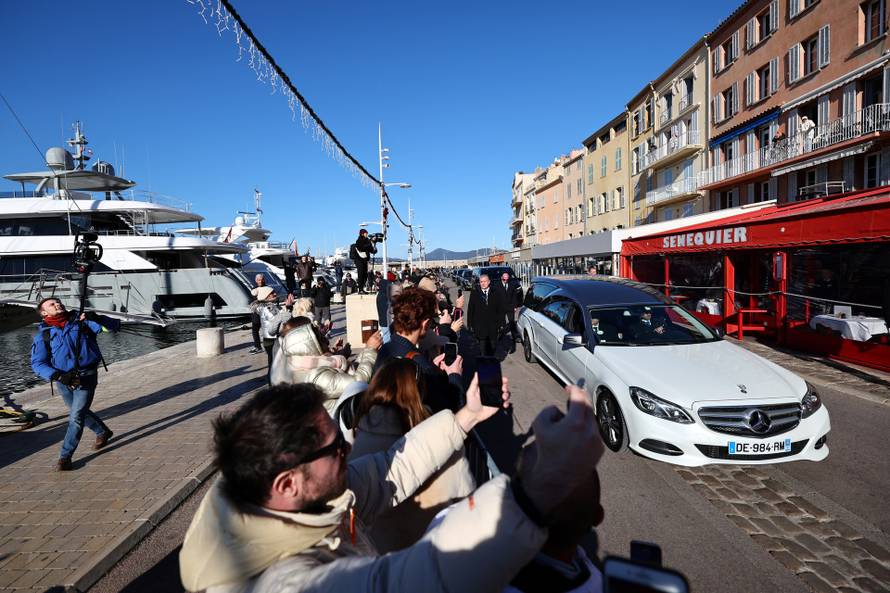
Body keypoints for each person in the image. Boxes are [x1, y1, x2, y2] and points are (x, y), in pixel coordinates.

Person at [179, 376, 602, 593]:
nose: (348, 447)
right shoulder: (277, 583)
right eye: (336, 448)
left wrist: (465, 418)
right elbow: (406, 583)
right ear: (287, 484)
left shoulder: (299, 502)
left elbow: (390, 471)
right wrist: (538, 488)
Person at [349, 358, 476, 552]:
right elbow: (467, 503)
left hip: (379, 561)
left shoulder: (355, 446)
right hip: (435, 555)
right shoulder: (444, 443)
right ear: (419, 393)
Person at [30, 298, 120, 471]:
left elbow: (112, 327)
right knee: (78, 412)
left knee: (76, 417)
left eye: (58, 302)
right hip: (63, 380)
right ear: (44, 313)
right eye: (52, 304)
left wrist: (97, 318)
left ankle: (65, 457)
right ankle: (102, 432)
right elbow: (38, 363)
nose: (57, 304)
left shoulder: (82, 321)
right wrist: (58, 376)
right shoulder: (43, 335)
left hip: (86, 376)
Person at [375, 286, 464, 413]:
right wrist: (455, 376)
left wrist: (432, 367)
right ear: (425, 323)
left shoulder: (385, 349)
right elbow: (450, 410)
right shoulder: (421, 365)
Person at [270, 317, 380, 413]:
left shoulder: (312, 364)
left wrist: (367, 351)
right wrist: (370, 350)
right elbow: (358, 383)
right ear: (309, 346)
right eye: (321, 339)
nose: (327, 341)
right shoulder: (317, 376)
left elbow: (354, 371)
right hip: (342, 422)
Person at [257, 287, 294, 384]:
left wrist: (288, 308)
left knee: (276, 363)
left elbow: (283, 319)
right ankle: (272, 384)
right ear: (266, 296)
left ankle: (275, 383)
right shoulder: (267, 309)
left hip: (274, 339)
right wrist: (288, 309)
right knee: (273, 364)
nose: (275, 294)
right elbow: (277, 323)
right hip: (271, 340)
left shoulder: (272, 306)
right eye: (272, 293)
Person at [467, 273, 508, 357]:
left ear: (489, 282)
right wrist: (470, 325)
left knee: (493, 348)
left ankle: (490, 360)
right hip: (480, 327)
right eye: (481, 282)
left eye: (485, 281)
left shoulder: (496, 292)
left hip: (493, 326)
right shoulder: (475, 293)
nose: (483, 283)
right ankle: (484, 362)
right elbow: (471, 309)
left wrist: (502, 324)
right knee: (482, 350)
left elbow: (500, 310)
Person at [499, 271, 524, 352]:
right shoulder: (497, 286)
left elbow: (514, 296)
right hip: (501, 308)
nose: (506, 281)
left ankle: (514, 338)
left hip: (510, 307)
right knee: (501, 324)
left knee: (512, 323)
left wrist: (515, 306)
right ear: (501, 278)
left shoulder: (512, 285)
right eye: (504, 279)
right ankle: (500, 337)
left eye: (507, 279)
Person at [352, 229, 375, 294]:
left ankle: (362, 288)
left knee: (365, 275)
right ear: (362, 234)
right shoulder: (359, 240)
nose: (367, 234)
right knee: (361, 274)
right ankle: (360, 289)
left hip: (365, 260)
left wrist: (374, 246)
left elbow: (371, 250)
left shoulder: (367, 241)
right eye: (366, 233)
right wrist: (369, 243)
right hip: (359, 260)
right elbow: (361, 248)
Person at [249, 274, 267, 354]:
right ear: (256, 281)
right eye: (259, 280)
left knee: (266, 329)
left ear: (264, 280)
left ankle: (269, 346)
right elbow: (254, 300)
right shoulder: (254, 289)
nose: (261, 281)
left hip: (265, 311)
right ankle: (258, 347)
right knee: (255, 330)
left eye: (262, 279)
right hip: (256, 312)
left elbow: (273, 298)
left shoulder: (268, 288)